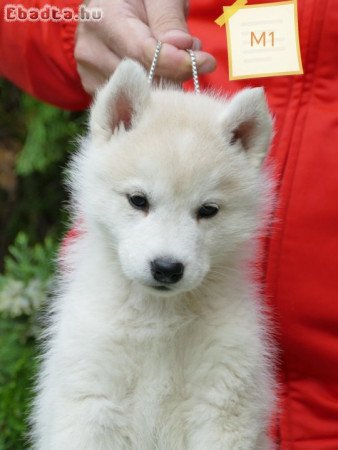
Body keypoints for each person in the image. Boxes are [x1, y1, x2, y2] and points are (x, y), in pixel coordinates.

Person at [1, 1, 338, 448]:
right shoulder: (92, 305)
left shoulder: (231, 318)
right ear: (115, 121)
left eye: (207, 211)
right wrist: (71, 21)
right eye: (139, 201)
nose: (169, 254)